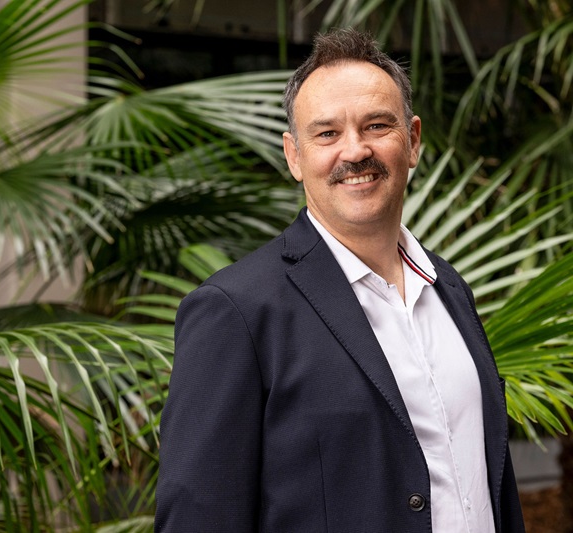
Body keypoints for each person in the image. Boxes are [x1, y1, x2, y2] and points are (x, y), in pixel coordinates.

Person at [154, 28, 525, 532]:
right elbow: (200, 515)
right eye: (326, 133)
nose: (355, 151)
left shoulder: (449, 288)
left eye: (376, 125)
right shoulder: (236, 310)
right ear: (294, 156)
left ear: (412, 141)